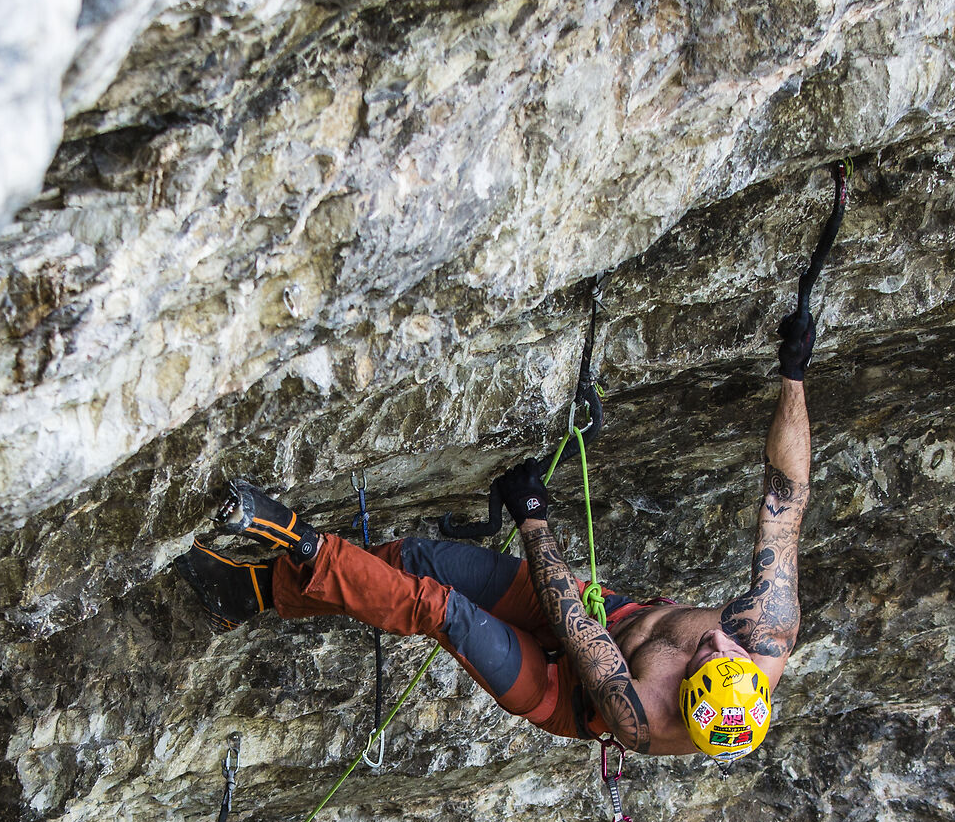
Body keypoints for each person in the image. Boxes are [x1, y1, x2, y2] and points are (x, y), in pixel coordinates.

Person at [173, 307, 817, 758]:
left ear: (685, 696)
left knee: (442, 609)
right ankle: (254, 592)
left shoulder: (641, 715)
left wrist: (532, 516)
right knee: (417, 560)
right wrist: (793, 376)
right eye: (725, 651)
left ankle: (303, 543)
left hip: (562, 690)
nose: (716, 639)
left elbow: (571, 624)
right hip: (604, 613)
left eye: (705, 656)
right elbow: (785, 497)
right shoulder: (765, 628)